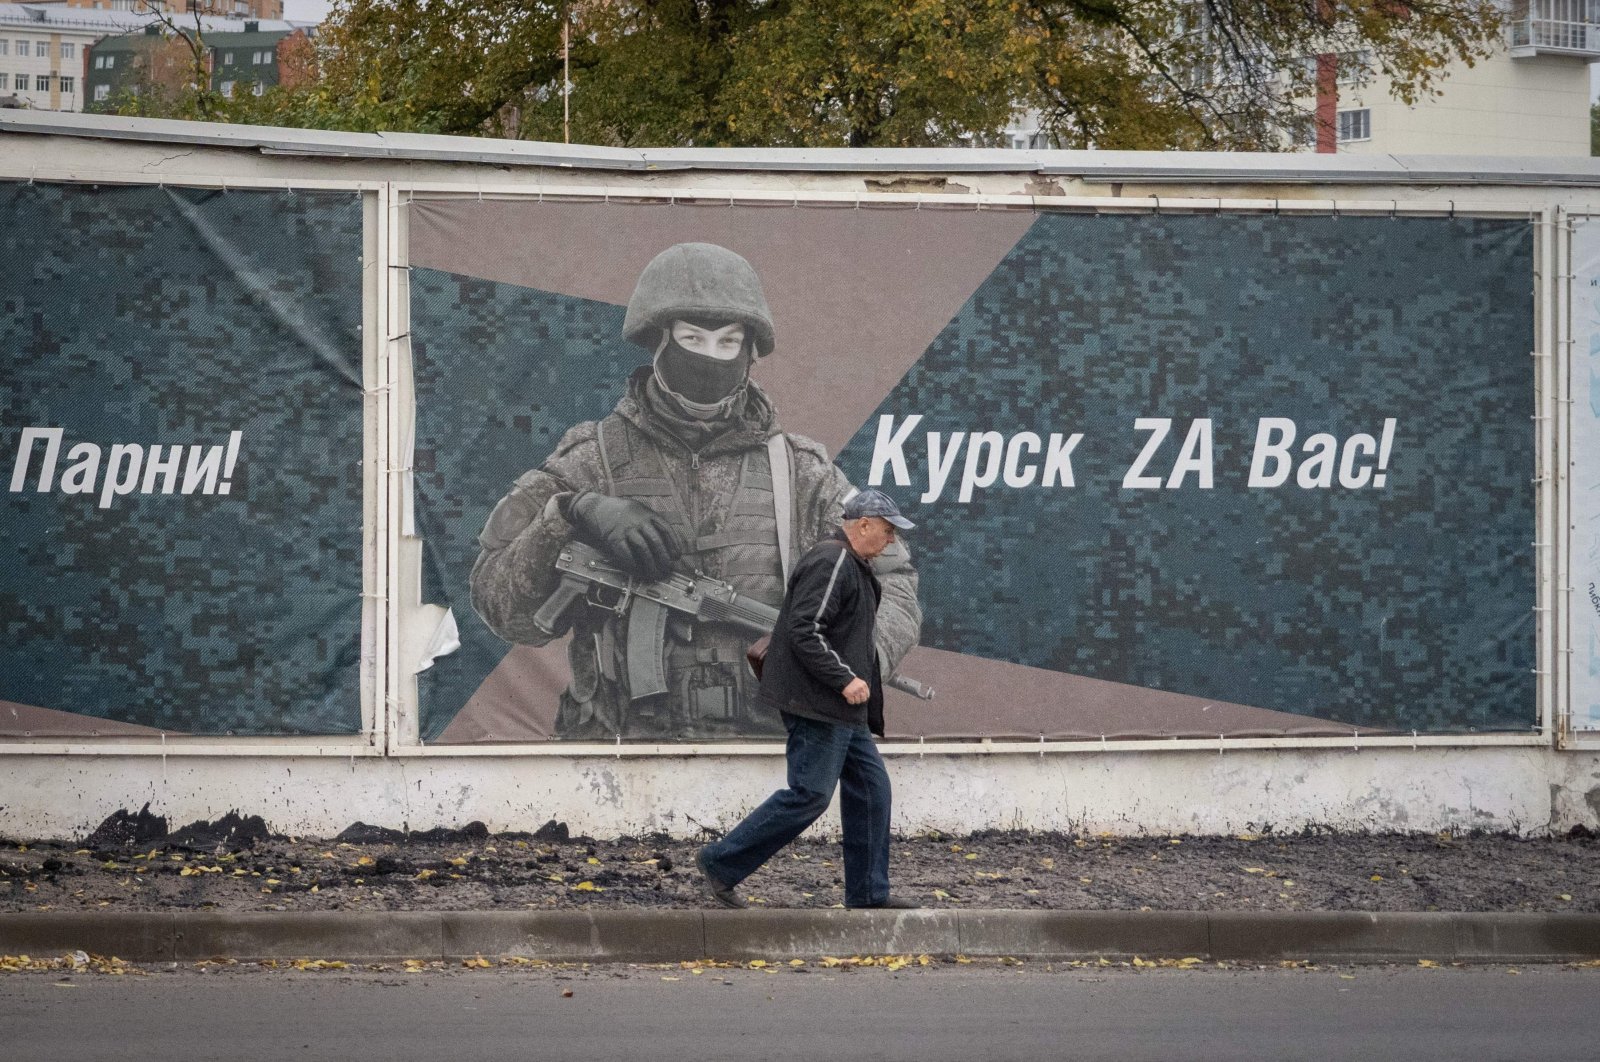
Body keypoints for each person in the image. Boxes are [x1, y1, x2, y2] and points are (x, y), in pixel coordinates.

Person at [469, 242, 921, 741]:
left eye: (728, 343)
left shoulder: (801, 472)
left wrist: (857, 658)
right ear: (659, 340)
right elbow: (503, 608)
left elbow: (892, 581)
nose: (711, 357)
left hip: (770, 748)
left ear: (750, 351)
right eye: (692, 338)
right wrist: (570, 512)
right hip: (614, 752)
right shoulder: (590, 459)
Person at [696, 489, 919, 910]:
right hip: (820, 704)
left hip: (843, 710)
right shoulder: (833, 560)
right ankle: (719, 863)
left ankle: (869, 895)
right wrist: (844, 679)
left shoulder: (851, 564)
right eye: (888, 531)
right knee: (810, 795)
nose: (891, 541)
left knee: (873, 792)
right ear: (864, 524)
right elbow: (804, 629)